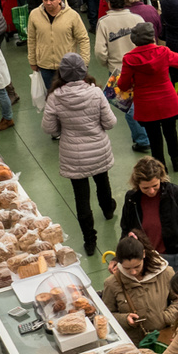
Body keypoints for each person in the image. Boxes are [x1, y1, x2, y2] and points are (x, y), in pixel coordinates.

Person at [42, 53, 118, 255]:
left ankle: (90, 241)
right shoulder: (95, 93)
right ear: (84, 71)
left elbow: (49, 128)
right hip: (98, 149)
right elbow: (110, 123)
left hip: (73, 154)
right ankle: (108, 209)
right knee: (103, 181)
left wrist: (62, 130)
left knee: (81, 198)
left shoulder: (55, 97)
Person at [116, 23, 178, 169]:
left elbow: (123, 85)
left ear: (134, 39)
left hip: (146, 105)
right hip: (168, 101)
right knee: (171, 132)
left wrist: (134, 79)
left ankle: (160, 168)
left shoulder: (129, 58)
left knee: (154, 138)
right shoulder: (163, 51)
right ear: (152, 36)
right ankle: (176, 160)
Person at [118, 156, 178, 271]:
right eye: (145, 188)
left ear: (161, 178)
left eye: (155, 186)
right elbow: (126, 229)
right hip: (146, 259)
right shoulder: (131, 199)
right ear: (137, 184)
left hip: (175, 259)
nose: (151, 191)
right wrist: (119, 257)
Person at [100, 230, 178, 340]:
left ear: (143, 254)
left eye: (137, 266)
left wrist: (166, 317)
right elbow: (106, 314)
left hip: (163, 336)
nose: (133, 272)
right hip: (134, 343)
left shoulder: (166, 273)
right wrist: (125, 319)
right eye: (127, 268)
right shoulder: (112, 283)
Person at [27, 0, 90, 90]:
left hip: (68, 66)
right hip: (45, 65)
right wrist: (32, 61)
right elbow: (31, 39)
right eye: (45, 0)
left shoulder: (72, 15)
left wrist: (84, 62)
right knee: (50, 96)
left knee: (70, 96)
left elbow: (83, 39)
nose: (48, 3)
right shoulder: (34, 15)